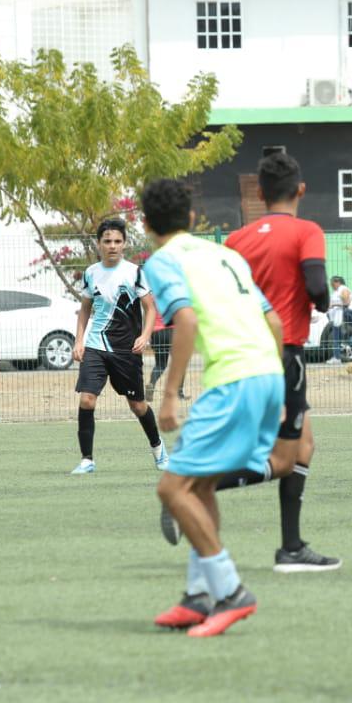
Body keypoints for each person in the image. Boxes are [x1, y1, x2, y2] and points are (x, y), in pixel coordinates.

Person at [143, 178, 286, 637]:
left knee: (173, 490)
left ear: (146, 225)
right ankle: (198, 595)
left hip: (234, 381)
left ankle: (230, 593)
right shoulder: (228, 255)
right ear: (190, 219)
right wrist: (275, 386)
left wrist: (169, 394)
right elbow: (274, 321)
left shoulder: (162, 262)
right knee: (200, 487)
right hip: (266, 374)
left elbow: (184, 320)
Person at [210, 148, 342, 572]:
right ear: (301, 189)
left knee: (303, 446)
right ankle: (193, 486)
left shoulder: (235, 239)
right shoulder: (307, 231)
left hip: (242, 355)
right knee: (285, 458)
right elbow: (317, 282)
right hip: (284, 355)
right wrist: (319, 301)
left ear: (262, 194)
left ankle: (292, 547)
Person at [70, 218, 166, 475]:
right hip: (96, 346)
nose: (112, 246)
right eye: (107, 241)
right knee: (87, 400)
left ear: (124, 244)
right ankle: (87, 460)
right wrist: (79, 341)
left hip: (126, 350)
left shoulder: (134, 272)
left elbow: (150, 307)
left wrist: (145, 335)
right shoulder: (91, 273)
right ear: (99, 244)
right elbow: (85, 309)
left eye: (117, 241)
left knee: (137, 406)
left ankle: (158, 448)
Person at [326, 276, 352, 364]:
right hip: (336, 317)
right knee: (343, 338)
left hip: (340, 316)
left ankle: (338, 358)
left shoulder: (342, 288)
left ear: (337, 282)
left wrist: (334, 304)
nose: (331, 285)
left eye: (332, 283)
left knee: (337, 337)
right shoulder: (337, 290)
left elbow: (346, 301)